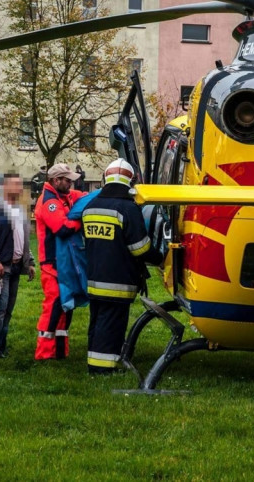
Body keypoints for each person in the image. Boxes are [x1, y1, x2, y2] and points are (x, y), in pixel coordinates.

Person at [80, 159, 155, 374]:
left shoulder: (90, 206)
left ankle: (98, 361)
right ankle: (102, 369)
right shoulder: (128, 209)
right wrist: (161, 256)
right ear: (130, 181)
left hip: (95, 277)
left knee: (98, 322)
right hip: (119, 279)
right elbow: (140, 249)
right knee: (111, 325)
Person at [0, 174, 34, 359]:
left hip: (16, 267)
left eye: (21, 184)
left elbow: (23, 238)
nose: (20, 188)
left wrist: (30, 261)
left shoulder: (19, 209)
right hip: (1, 268)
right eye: (16, 184)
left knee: (8, 309)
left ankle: (1, 346)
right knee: (0, 308)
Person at [34, 164, 84, 360]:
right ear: (56, 181)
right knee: (54, 305)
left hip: (62, 261)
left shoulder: (65, 195)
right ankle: (44, 353)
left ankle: (60, 352)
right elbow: (62, 229)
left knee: (66, 305)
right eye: (67, 180)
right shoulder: (49, 202)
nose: (71, 183)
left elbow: (83, 196)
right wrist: (80, 222)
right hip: (52, 263)